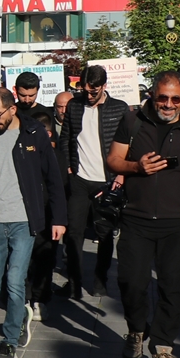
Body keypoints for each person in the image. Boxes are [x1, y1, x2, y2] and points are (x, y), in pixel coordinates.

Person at [0, 89, 67, 358]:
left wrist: (59, 219)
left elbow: (53, 177)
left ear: (12, 109)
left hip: (24, 220)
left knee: (16, 281)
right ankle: (20, 312)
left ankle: (9, 340)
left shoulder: (34, 133)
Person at [107, 71, 180, 358]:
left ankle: (163, 347)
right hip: (137, 218)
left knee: (172, 287)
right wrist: (136, 167)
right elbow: (113, 160)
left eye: (175, 99)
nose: (168, 104)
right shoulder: (133, 121)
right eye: (162, 97)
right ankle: (136, 330)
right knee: (131, 282)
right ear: (152, 95)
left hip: (178, 221)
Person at [58, 65, 128, 299]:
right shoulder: (74, 106)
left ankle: (100, 280)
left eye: (93, 91)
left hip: (107, 181)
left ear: (104, 86)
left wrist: (121, 174)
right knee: (74, 233)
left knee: (105, 234)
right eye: (85, 90)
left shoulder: (119, 108)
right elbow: (66, 137)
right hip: (79, 179)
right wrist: (68, 167)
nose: (88, 95)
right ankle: (74, 282)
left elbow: (130, 143)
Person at [24, 109, 62, 320]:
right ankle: (27, 299)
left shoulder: (55, 156)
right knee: (24, 260)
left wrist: (59, 219)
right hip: (26, 214)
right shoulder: (23, 153)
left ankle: (39, 299)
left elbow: (59, 187)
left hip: (47, 217)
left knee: (45, 259)